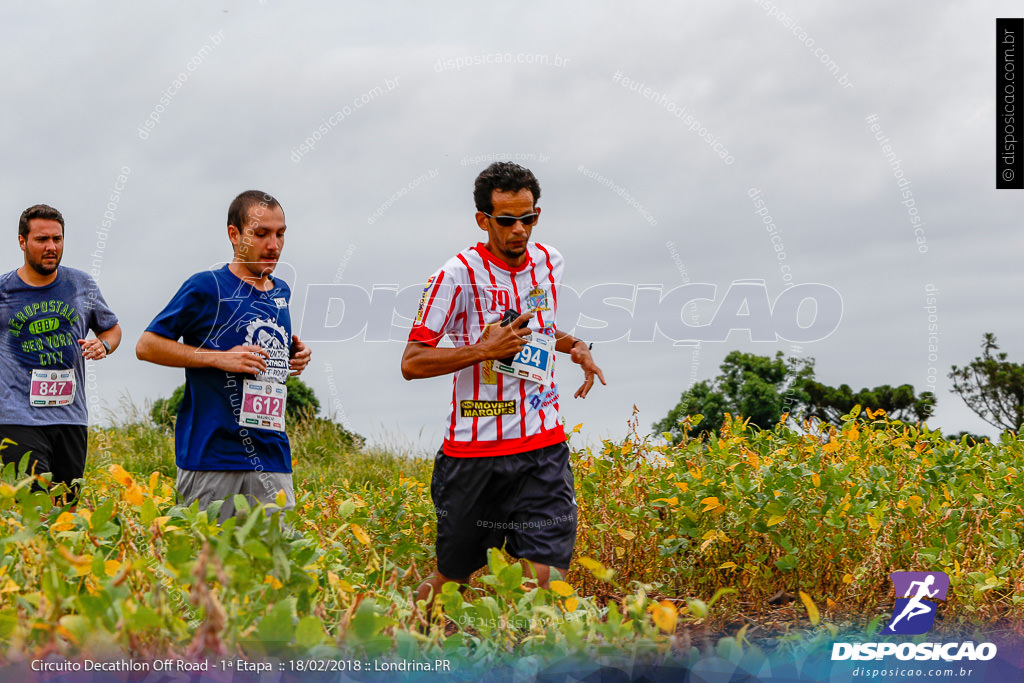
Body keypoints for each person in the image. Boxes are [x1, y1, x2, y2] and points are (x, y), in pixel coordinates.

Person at [401, 162, 606, 611]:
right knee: (452, 578)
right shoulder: (454, 277)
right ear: (483, 220)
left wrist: (576, 346)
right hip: (474, 457)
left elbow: (541, 328)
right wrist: (481, 351)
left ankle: (519, 658)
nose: (519, 230)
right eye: (507, 220)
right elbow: (412, 362)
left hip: (541, 447)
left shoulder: (550, 262)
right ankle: (400, 642)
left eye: (528, 218)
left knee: (546, 577)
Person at [136, 190, 311, 520]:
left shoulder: (282, 292)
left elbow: (261, 349)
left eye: (280, 233)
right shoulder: (206, 286)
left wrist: (292, 355)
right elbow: (147, 345)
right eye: (261, 234)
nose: (273, 245)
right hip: (213, 456)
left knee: (275, 567)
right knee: (205, 567)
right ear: (234, 235)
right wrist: (217, 357)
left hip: (272, 456)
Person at [0, 204, 121, 505]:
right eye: (42, 240)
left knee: (65, 512)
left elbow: (113, 329)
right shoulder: (3, 291)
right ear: (22, 242)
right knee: (36, 508)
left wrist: (103, 345)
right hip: (17, 418)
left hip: (70, 418)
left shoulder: (82, 285)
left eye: (58, 239)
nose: (51, 247)